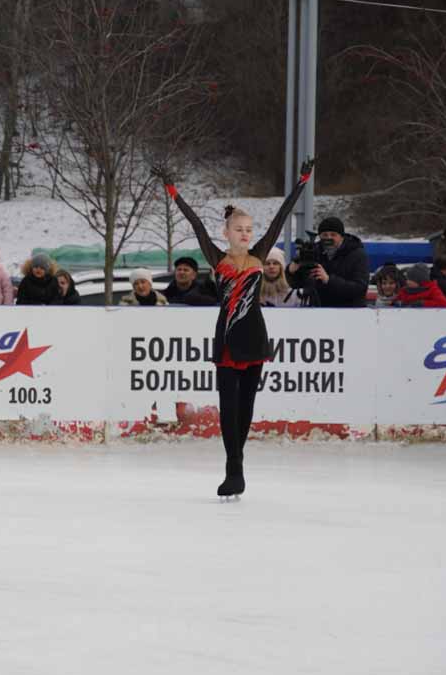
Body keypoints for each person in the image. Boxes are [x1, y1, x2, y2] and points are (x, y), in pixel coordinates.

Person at [154, 157, 314, 499]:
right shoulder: (217, 259)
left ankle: (236, 464)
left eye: (249, 229)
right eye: (239, 229)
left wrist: (302, 182)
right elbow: (195, 223)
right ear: (227, 233)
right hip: (227, 339)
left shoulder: (259, 256)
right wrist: (172, 191)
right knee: (229, 406)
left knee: (247, 407)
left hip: (254, 336)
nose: (246, 233)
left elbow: (282, 216)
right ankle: (234, 468)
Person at [287, 216, 368, 308]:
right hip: (319, 310)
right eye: (325, 235)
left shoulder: (357, 254)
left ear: (342, 236)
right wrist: (291, 272)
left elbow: (360, 289)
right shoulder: (314, 251)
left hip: (349, 311)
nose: (328, 238)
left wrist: (329, 280)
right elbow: (297, 284)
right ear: (320, 236)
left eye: (333, 234)